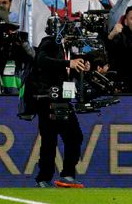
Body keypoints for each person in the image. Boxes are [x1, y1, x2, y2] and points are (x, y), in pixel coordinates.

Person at [29, 30, 90, 188]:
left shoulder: (69, 49)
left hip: (64, 99)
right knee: (50, 140)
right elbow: (41, 60)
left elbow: (68, 72)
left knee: (75, 137)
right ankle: (43, 178)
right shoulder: (49, 41)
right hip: (47, 98)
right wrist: (68, 63)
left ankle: (68, 175)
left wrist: (82, 67)